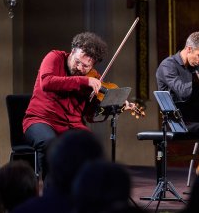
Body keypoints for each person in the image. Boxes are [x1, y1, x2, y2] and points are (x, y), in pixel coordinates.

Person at [22, 32, 133, 180]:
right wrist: (82, 81)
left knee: (92, 147)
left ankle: (84, 194)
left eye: (86, 66)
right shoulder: (54, 57)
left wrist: (112, 106)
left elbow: (89, 115)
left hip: (71, 126)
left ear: (93, 65)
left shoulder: (93, 78)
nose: (80, 68)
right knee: (51, 145)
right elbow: (47, 82)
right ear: (73, 51)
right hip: (40, 121)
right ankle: (53, 192)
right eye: (77, 62)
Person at [13, 129, 104, 213]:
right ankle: (48, 186)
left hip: (72, 121)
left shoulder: (24, 210)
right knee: (49, 142)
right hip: (43, 120)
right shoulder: (110, 207)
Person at [155, 31, 199, 134]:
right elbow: (184, 92)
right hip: (177, 122)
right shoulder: (168, 65)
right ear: (189, 49)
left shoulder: (195, 67)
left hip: (194, 118)